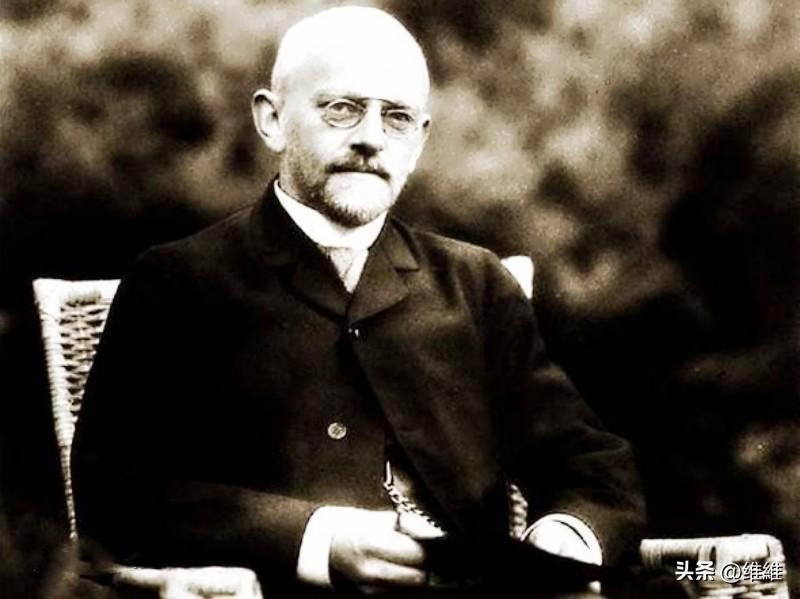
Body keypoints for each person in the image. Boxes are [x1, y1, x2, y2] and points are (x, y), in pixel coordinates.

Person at [73, 6, 645, 597]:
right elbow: (115, 493)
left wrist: (567, 535)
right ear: (272, 121)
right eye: (342, 109)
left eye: (397, 118)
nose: (371, 138)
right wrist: (316, 539)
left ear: (419, 140)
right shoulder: (179, 281)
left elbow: (590, 465)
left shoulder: (475, 283)